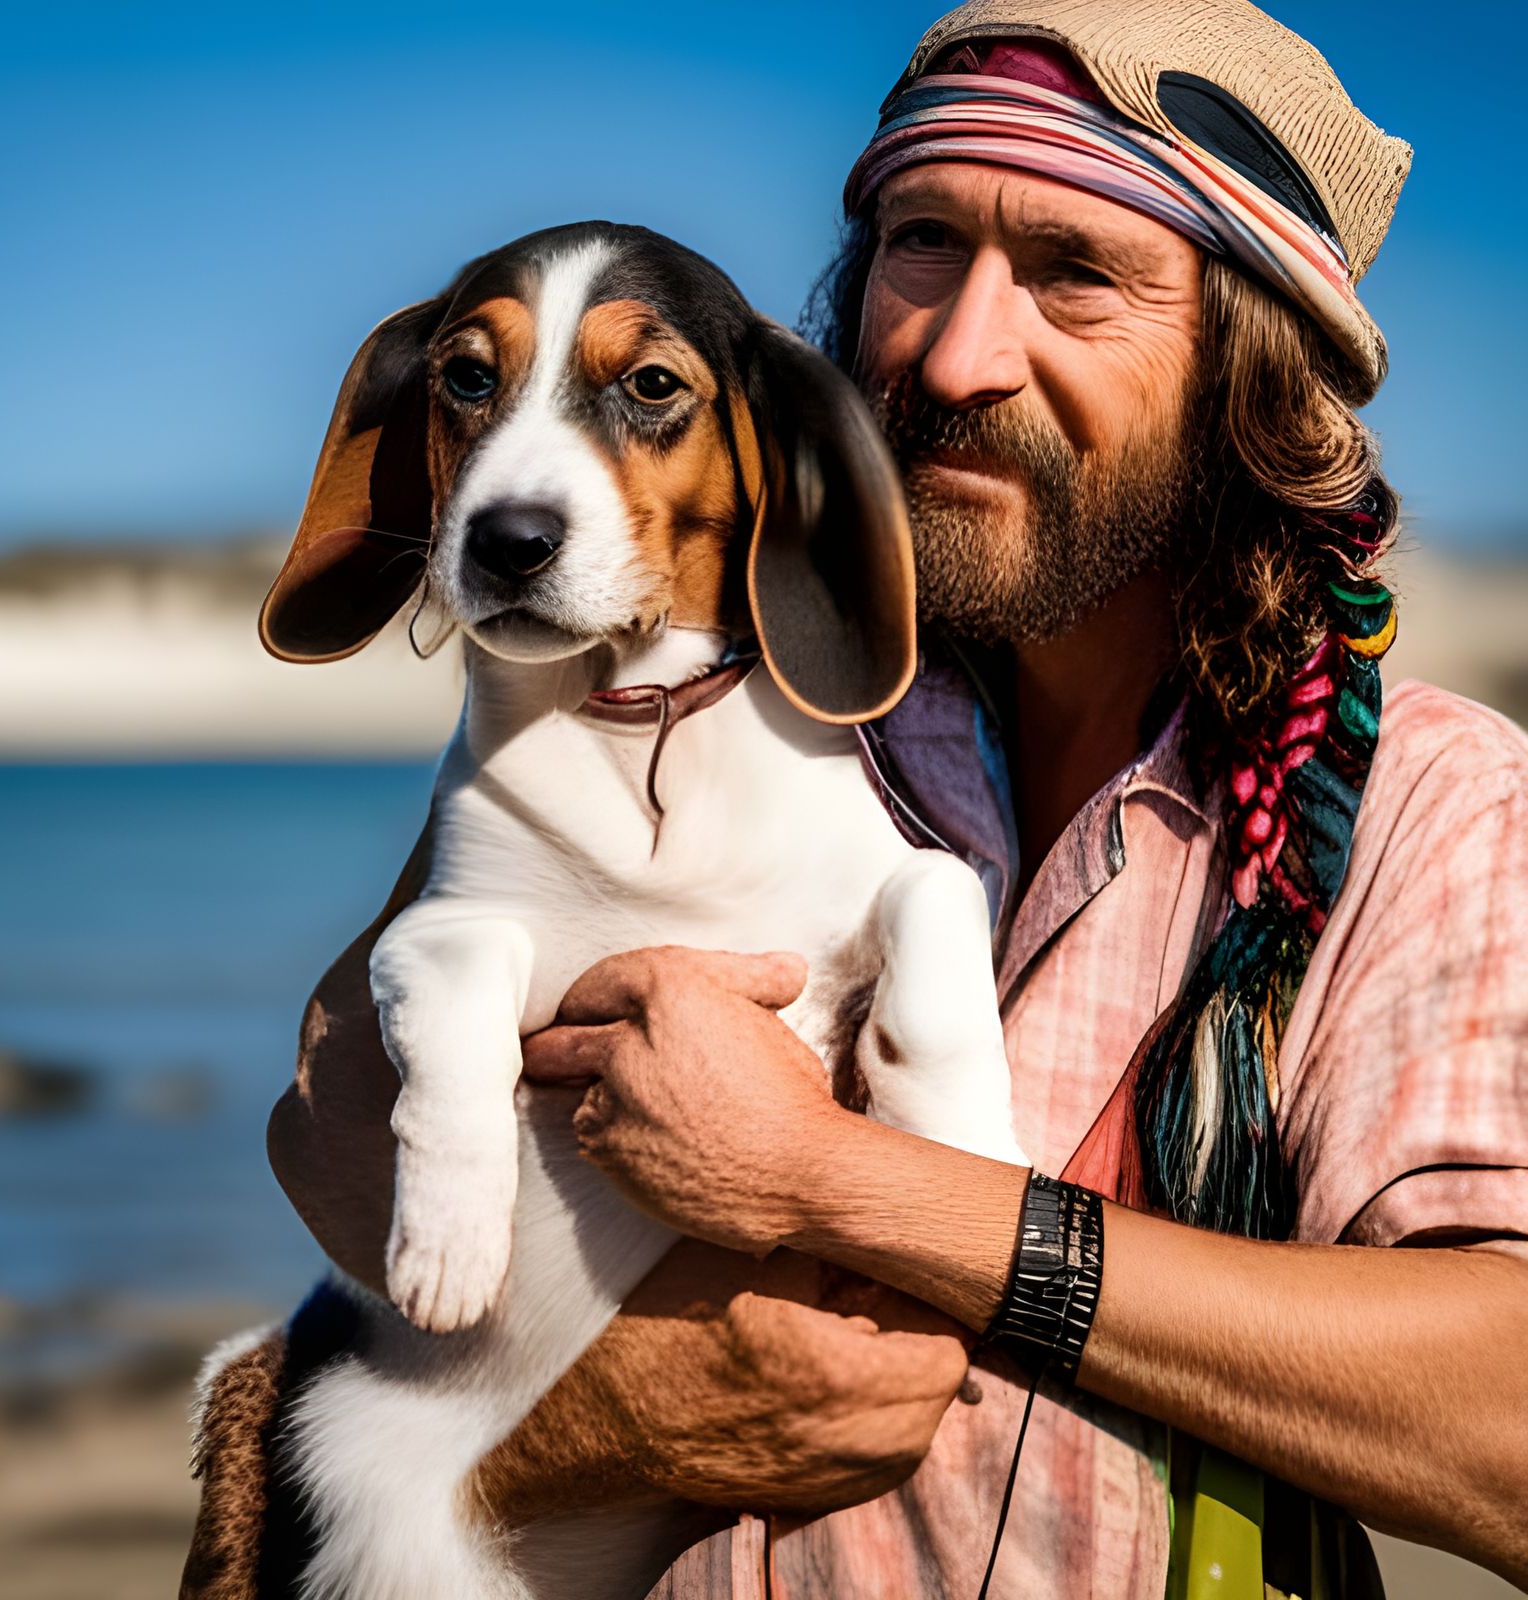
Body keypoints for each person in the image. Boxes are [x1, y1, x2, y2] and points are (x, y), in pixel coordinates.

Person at [184, 3, 1528, 1595]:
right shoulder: (703, 677)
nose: (957, 353)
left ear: (1253, 368)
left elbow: (1503, 1433)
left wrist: (841, 1185)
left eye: (1078, 275)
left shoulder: (1422, 807)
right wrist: (623, 1426)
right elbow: (333, 1135)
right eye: (921, 240)